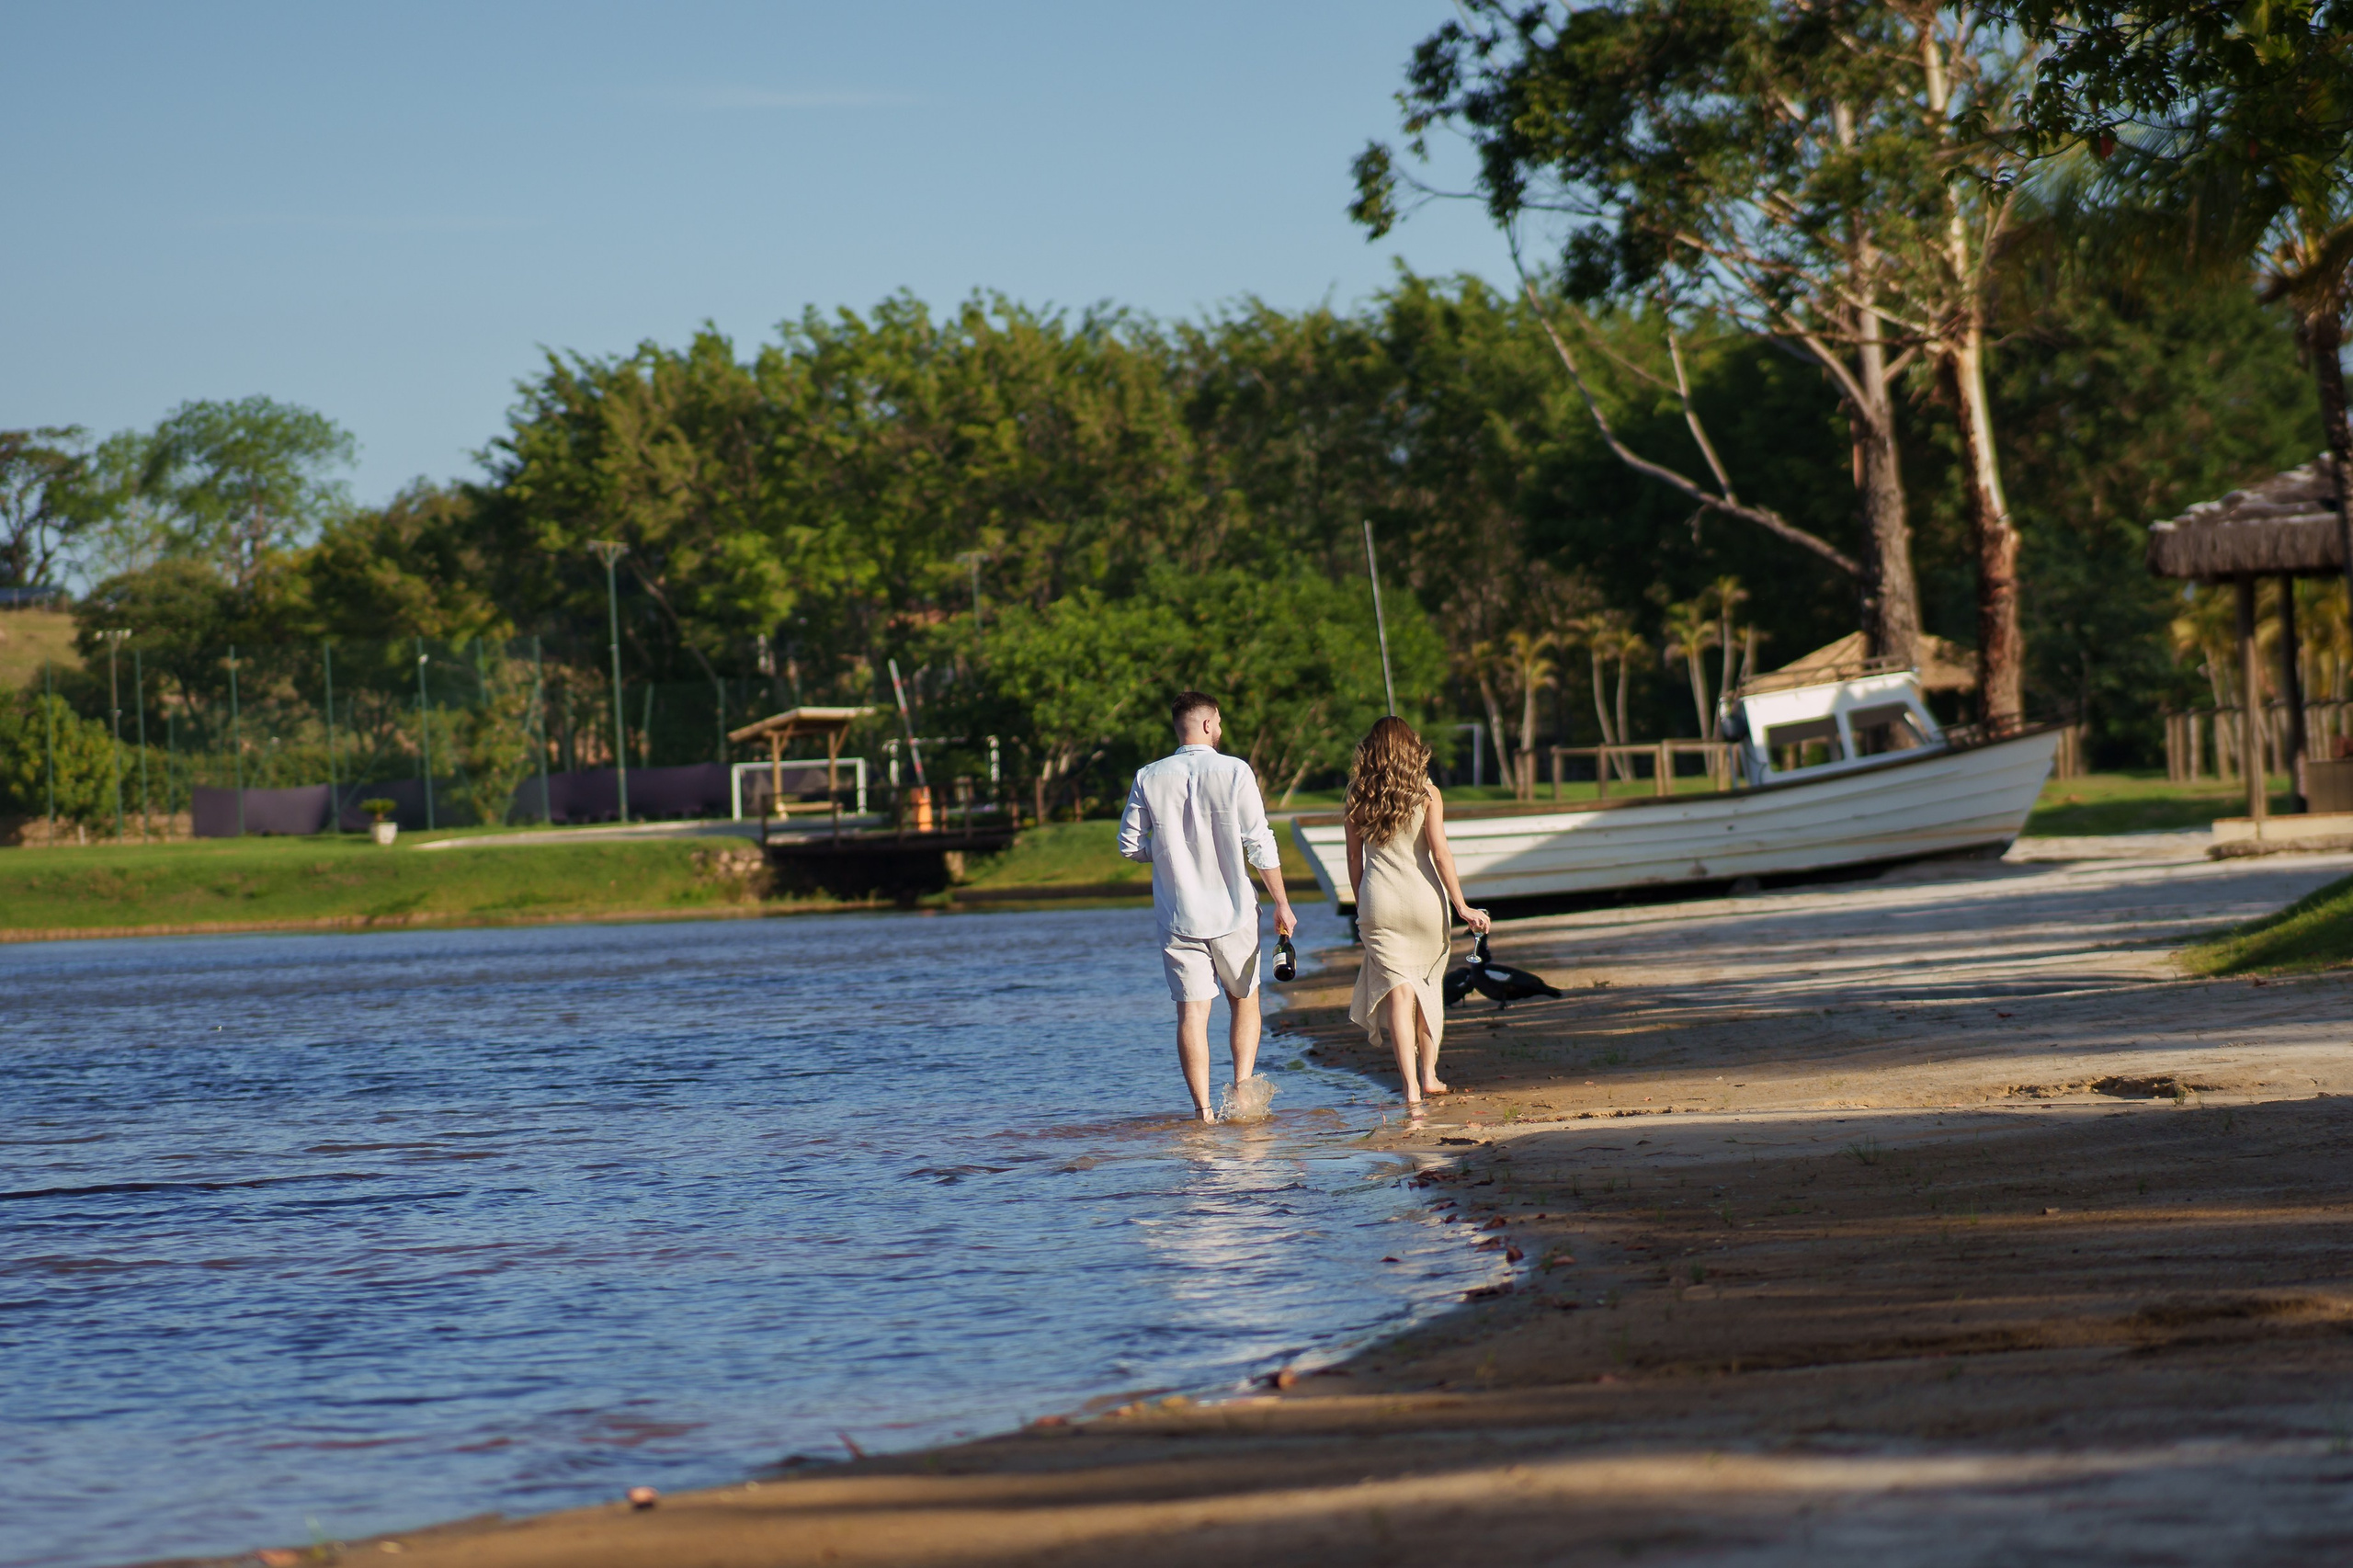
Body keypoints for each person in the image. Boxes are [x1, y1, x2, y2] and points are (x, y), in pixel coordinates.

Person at [1118, 691, 1299, 1123]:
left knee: (1192, 1013)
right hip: (1233, 909)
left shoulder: (1149, 775)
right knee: (1245, 999)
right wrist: (1282, 903)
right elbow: (1259, 840)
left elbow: (1128, 846)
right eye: (1217, 722)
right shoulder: (1235, 770)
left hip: (1179, 914)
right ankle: (1241, 1094)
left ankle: (1202, 1114)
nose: (1220, 729)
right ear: (1206, 723)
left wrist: (1162, 852)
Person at [1343, 716, 1489, 1112]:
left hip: (1379, 903)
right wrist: (1462, 906)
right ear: (1412, 748)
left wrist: (1361, 905)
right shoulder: (1427, 793)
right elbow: (1440, 852)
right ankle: (1430, 1076)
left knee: (1398, 994)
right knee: (1425, 989)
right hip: (1425, 903)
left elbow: (1354, 858)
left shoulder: (1358, 793)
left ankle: (1409, 1089)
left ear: (1371, 750)